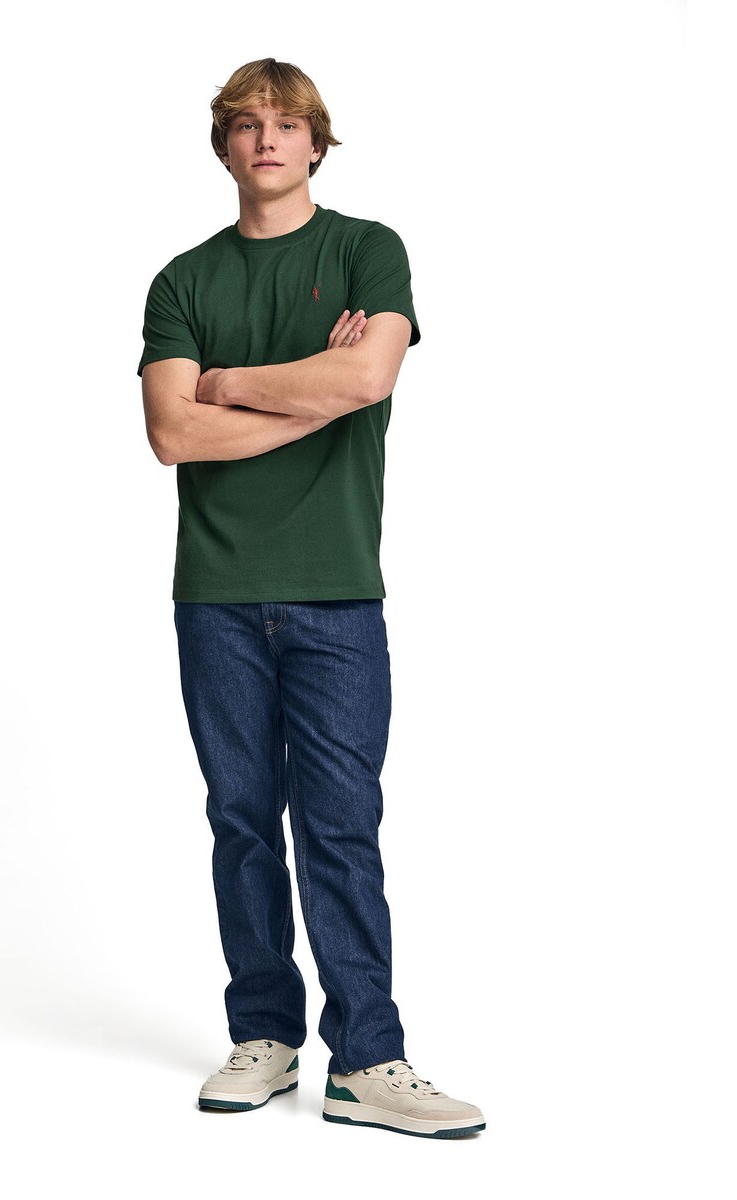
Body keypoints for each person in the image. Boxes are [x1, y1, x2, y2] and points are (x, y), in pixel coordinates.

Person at [137, 57, 485, 1140]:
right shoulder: (183, 281)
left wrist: (232, 383)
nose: (267, 140)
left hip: (336, 594)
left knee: (340, 826)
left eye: (287, 124)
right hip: (217, 594)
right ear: (224, 146)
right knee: (242, 820)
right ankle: (265, 1037)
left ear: (317, 144)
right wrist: (310, 396)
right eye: (246, 124)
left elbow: (368, 378)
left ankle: (367, 1060)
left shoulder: (367, 250)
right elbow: (171, 433)